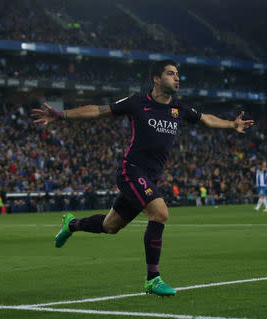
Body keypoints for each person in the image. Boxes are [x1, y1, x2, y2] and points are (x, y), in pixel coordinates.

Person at [31, 59, 254, 296]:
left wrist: (232, 124)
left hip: (149, 178)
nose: (177, 78)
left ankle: (72, 224)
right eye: (171, 74)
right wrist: (61, 114)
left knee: (110, 226)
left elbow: (207, 119)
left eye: (178, 74)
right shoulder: (136, 104)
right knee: (160, 213)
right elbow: (99, 110)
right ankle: (152, 279)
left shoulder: (179, 109)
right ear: (156, 79)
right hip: (131, 170)